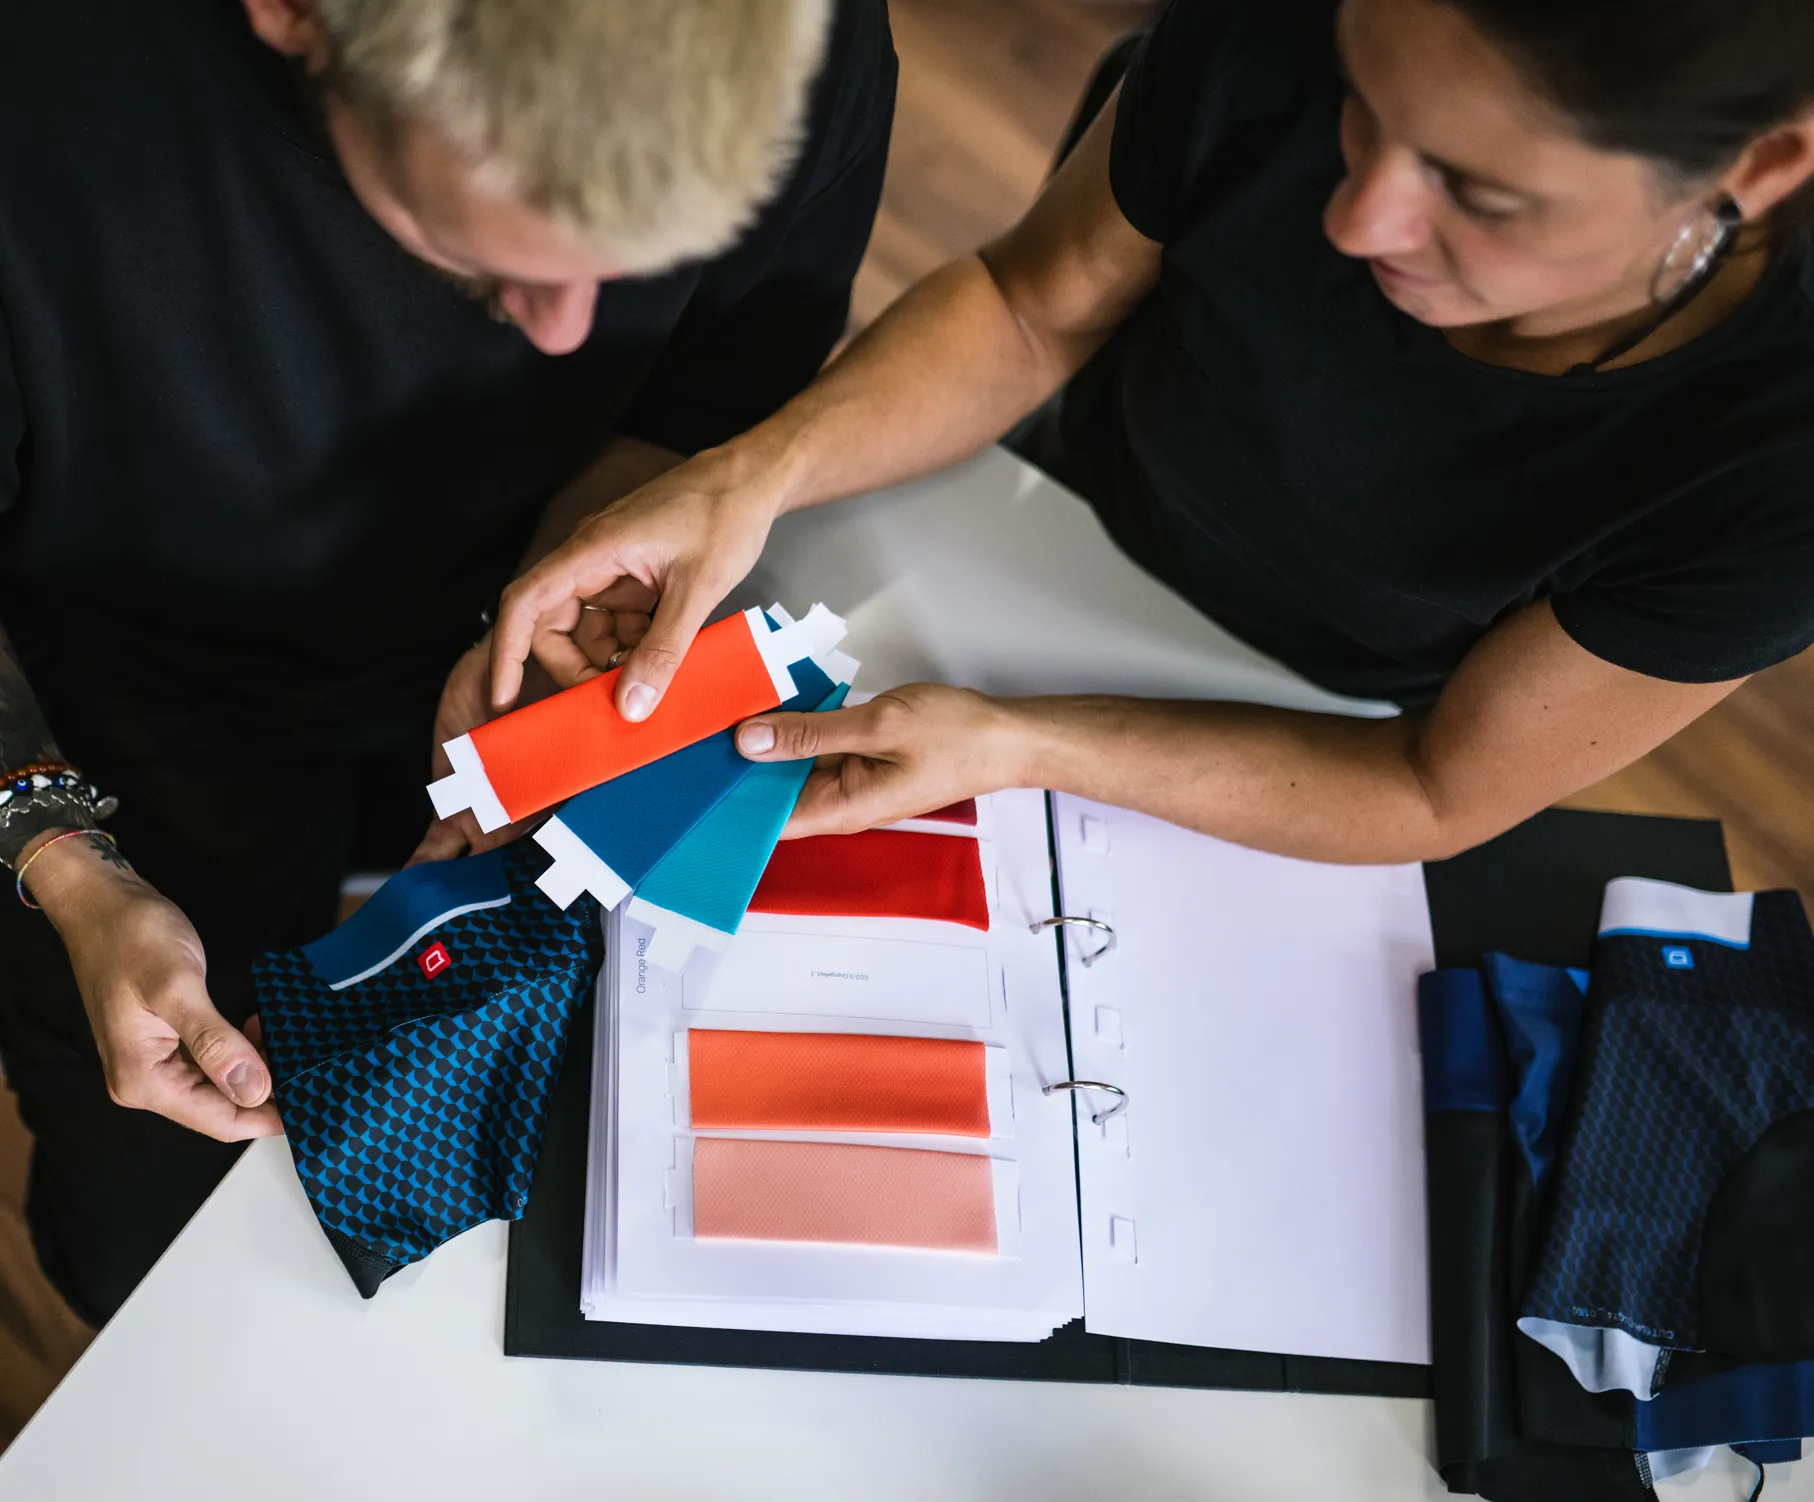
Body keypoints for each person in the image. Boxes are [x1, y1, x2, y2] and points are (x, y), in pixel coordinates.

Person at [0, 0, 894, 1322]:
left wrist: (572, 558)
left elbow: (703, 394)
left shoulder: (798, 47)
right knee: (174, 1272)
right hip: (105, 715)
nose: (563, 335)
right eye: (492, 265)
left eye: (632, 267)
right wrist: (62, 857)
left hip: (525, 661)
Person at [495, 0, 1814, 874]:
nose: (1355, 222)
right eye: (1356, 105)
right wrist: (749, 470)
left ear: (1759, 164)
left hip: (1328, 721)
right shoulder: (1276, 25)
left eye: (1476, 196)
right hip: (1056, 488)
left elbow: (1432, 787)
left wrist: (1027, 744)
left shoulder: (1777, 470)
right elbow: (1025, 305)